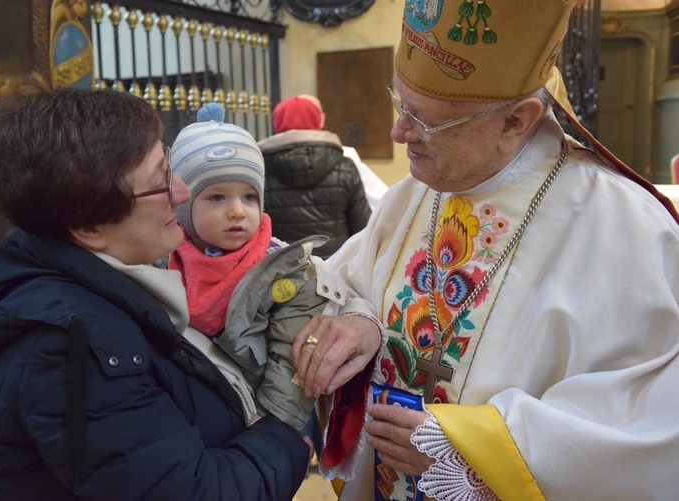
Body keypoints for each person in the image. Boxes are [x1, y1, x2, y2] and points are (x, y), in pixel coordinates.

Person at [291, 1, 679, 500]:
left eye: (426, 121)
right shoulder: (415, 193)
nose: (398, 132)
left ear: (517, 119)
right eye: (399, 103)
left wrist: (468, 451)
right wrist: (361, 321)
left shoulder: (628, 232)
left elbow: (649, 425)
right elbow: (346, 281)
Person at [0, 88, 311, 500]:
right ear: (89, 225)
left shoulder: (114, 287)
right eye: (159, 182)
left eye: (169, 163)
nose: (183, 191)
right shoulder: (69, 350)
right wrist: (287, 438)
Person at [167, 102, 350, 433]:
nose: (238, 211)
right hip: (184, 416)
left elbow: (290, 353)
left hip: (257, 418)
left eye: (249, 197)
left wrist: (273, 427)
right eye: (217, 197)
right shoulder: (163, 260)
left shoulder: (286, 270)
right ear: (182, 207)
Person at [258, 94, 373, 259]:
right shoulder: (344, 166)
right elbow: (363, 228)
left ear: (277, 124)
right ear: (319, 121)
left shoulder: (262, 170)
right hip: (335, 268)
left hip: (282, 271)